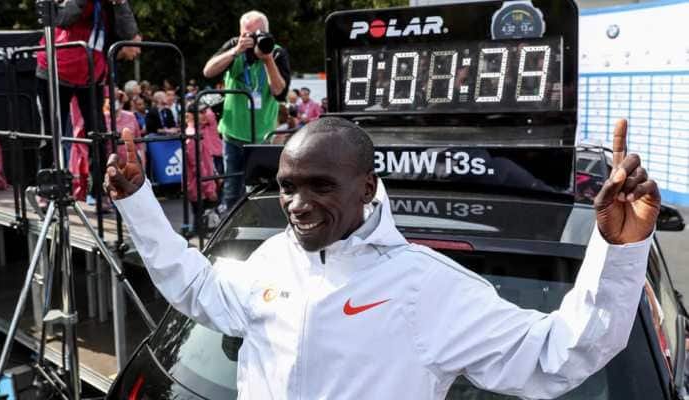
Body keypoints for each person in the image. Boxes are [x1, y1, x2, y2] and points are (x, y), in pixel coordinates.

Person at [105, 117, 661, 399]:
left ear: (368, 187)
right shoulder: (272, 260)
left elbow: (556, 354)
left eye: (319, 185)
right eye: (287, 186)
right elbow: (200, 290)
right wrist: (138, 203)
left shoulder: (426, 286)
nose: (298, 205)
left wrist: (618, 249)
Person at [202, 10, 291, 211]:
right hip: (233, 134)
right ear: (240, 33)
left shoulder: (276, 52)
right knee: (233, 187)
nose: (252, 39)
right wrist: (236, 51)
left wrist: (267, 59)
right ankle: (230, 229)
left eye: (257, 33)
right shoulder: (235, 46)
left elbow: (279, 92)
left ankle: (260, 225)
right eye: (247, 34)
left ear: (266, 33)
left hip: (263, 136)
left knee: (262, 188)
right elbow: (208, 71)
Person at [36, 0, 140, 169]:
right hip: (56, 71)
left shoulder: (112, 5)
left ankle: (97, 188)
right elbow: (63, 20)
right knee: (52, 132)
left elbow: (129, 34)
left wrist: (120, 3)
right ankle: (47, 183)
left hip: (92, 76)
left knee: (98, 133)